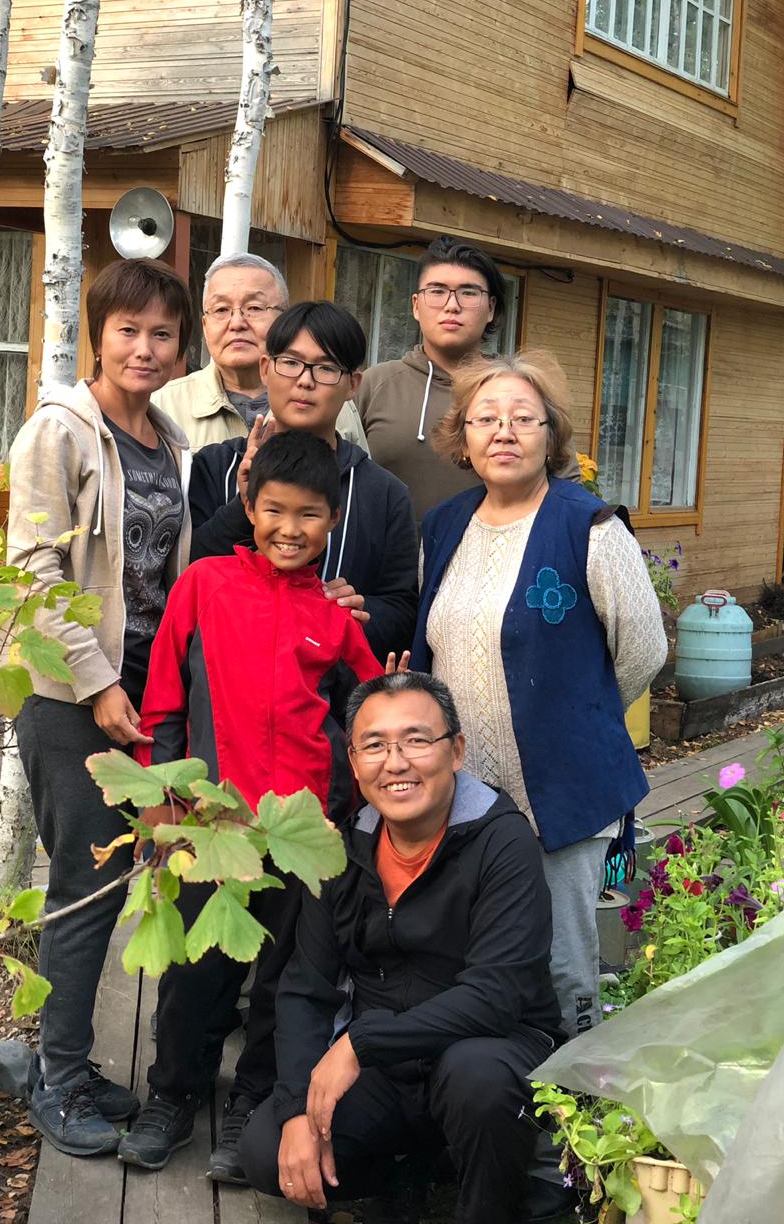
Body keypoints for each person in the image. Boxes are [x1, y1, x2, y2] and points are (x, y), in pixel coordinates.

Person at [116, 431, 386, 1175]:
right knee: (196, 970)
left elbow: (368, 711)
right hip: (212, 824)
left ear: (332, 519)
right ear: (248, 504)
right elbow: (163, 701)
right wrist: (164, 802)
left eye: (308, 514)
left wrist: (342, 807)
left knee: (284, 976)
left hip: (301, 832)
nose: (289, 529)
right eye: (274, 510)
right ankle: (173, 1093)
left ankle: (254, 1102)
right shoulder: (204, 585)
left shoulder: (333, 618)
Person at [239, 670, 565, 1224]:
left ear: (456, 751)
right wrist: (296, 1109)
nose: (395, 763)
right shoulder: (344, 849)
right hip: (388, 1070)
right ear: (354, 760)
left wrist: (360, 1043)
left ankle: (488, 1205)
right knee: (266, 1151)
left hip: (490, 1048)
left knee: (477, 1080)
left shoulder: (502, 840)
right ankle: (413, 1174)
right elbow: (305, 988)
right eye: (374, 745)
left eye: (416, 740)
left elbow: (497, 995)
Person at [411, 352, 667, 1039]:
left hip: (563, 787)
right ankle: (490, 1091)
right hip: (464, 793)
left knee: (562, 964)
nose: (504, 431)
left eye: (523, 418)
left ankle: (572, 1092)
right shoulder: (444, 525)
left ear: (551, 435)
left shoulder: (591, 527)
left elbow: (643, 651)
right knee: (472, 954)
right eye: (485, 419)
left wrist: (576, 716)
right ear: (462, 435)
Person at [7, 258, 194, 1156]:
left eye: (162, 333)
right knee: (84, 887)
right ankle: (57, 1079)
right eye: (128, 330)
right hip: (69, 694)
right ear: (98, 335)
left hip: (141, 695)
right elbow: (33, 570)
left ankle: (62, 1059)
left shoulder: (168, 441)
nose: (145, 347)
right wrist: (97, 682)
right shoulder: (60, 431)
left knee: (112, 882)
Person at [189, 301, 418, 662]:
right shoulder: (217, 466)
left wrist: (361, 611)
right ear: (266, 368)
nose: (305, 380)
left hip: (333, 692)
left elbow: (402, 611)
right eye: (291, 363)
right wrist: (243, 503)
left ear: (353, 385)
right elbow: (185, 573)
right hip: (221, 683)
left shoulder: (384, 493)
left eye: (326, 368)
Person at [356, 236, 580, 523]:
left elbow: (568, 487)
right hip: (387, 553)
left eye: (469, 292)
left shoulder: (524, 391)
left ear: (491, 308)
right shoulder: (373, 386)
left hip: (499, 550)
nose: (452, 305)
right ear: (416, 305)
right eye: (437, 291)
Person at [151, 251, 366, 449]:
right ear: (205, 327)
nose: (236, 323)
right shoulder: (163, 405)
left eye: (254, 308)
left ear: (284, 320)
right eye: (221, 309)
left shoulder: (331, 400)